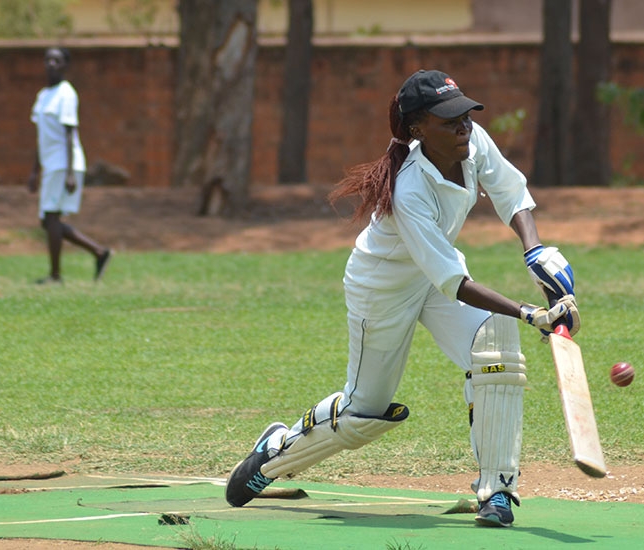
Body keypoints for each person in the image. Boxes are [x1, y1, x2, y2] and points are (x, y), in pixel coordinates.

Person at [224, 69, 580, 528]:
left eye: (466, 115)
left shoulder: (471, 144)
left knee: (495, 339)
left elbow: (512, 192)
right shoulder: (410, 186)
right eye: (449, 120)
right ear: (417, 129)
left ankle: (497, 491)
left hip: (433, 277)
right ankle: (274, 454)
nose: (463, 127)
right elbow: (454, 282)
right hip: (383, 288)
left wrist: (534, 249)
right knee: (364, 413)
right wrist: (532, 312)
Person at [28, 46, 111, 284]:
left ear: (66, 65)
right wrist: (34, 171)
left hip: (64, 164)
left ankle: (55, 276)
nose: (51, 64)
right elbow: (40, 137)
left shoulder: (67, 94)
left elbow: (69, 134)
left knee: (51, 219)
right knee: (48, 220)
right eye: (48, 60)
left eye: (57, 60)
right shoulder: (43, 96)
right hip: (50, 164)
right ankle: (99, 252)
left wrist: (71, 172)